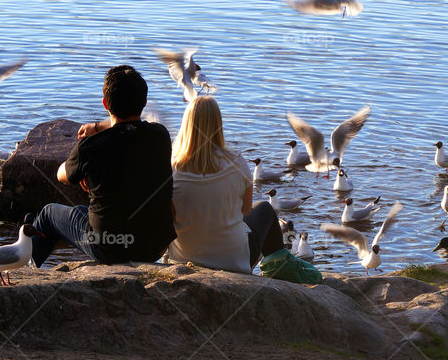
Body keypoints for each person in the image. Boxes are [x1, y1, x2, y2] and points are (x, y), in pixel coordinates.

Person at [29, 65, 175, 266]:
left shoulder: (90, 148)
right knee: (82, 212)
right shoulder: (161, 136)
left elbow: (61, 175)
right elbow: (129, 127)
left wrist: (82, 164)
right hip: (155, 247)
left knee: (48, 214)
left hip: (109, 248)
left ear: (105, 104)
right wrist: (98, 127)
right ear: (144, 102)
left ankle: (25, 274)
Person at [166, 96, 283, 273]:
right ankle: (279, 275)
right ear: (217, 124)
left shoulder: (170, 167)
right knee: (265, 209)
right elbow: (245, 209)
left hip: (183, 259)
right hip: (233, 262)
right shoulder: (237, 161)